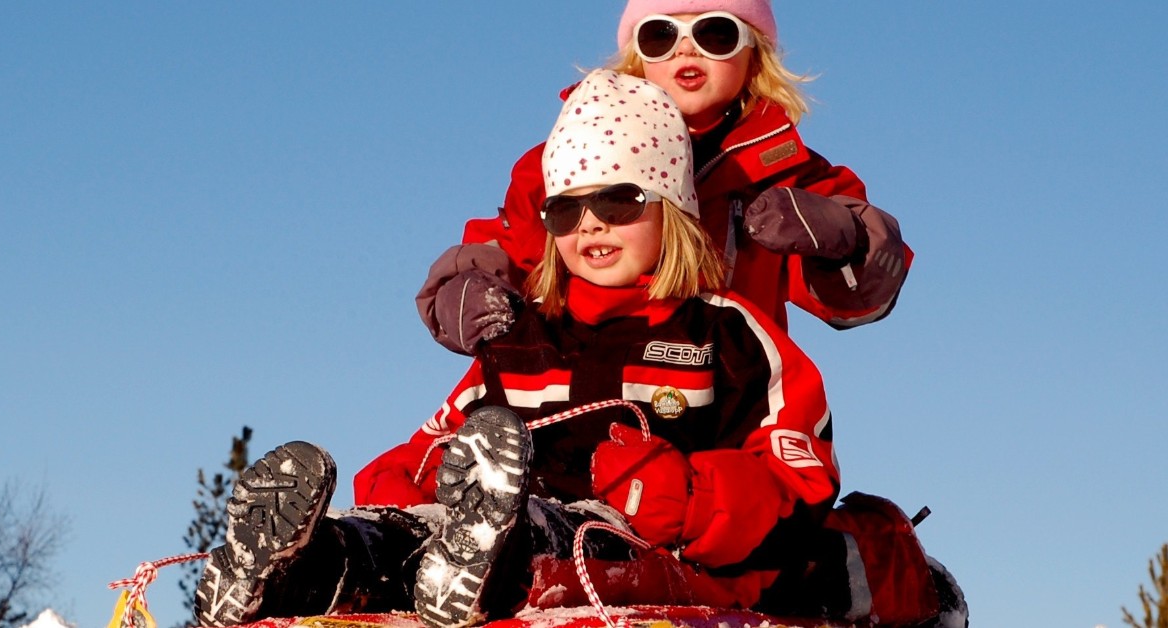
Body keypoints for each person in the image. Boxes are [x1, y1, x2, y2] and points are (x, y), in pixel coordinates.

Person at [193, 71, 963, 628]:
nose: (591, 224)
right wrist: (401, 485)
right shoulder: (523, 337)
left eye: (620, 201)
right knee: (404, 535)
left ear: (674, 214)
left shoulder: (725, 335)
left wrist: (686, 494)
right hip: (480, 523)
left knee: (558, 537)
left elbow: (797, 479)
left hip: (631, 540)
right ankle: (309, 564)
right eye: (568, 209)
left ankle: (482, 553)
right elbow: (437, 439)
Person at [418, 0, 912, 357]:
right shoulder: (571, 157)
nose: (685, 50)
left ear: (754, 52)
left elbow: (859, 300)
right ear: (639, 54)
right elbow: (516, 244)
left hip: (727, 390)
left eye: (716, 33)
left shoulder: (786, 174)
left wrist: (842, 240)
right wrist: (468, 287)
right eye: (661, 35)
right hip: (589, 376)